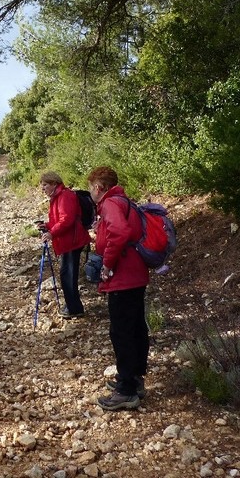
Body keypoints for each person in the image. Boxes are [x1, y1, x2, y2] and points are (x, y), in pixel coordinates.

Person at [87, 166, 149, 411]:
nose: (91, 192)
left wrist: (106, 264)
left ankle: (126, 390)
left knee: (121, 332)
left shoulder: (110, 203)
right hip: (136, 274)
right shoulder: (125, 201)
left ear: (98, 187)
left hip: (122, 276)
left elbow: (120, 233)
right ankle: (134, 379)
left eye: (91, 188)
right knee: (135, 328)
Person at [38, 171, 91, 319]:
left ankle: (74, 308)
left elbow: (67, 219)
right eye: (42, 185)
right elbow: (59, 219)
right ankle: (72, 306)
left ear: (54, 183)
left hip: (73, 240)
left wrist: (51, 233)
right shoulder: (57, 197)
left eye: (45, 185)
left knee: (68, 275)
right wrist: (47, 225)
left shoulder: (65, 196)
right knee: (67, 274)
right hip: (68, 240)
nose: (43, 188)